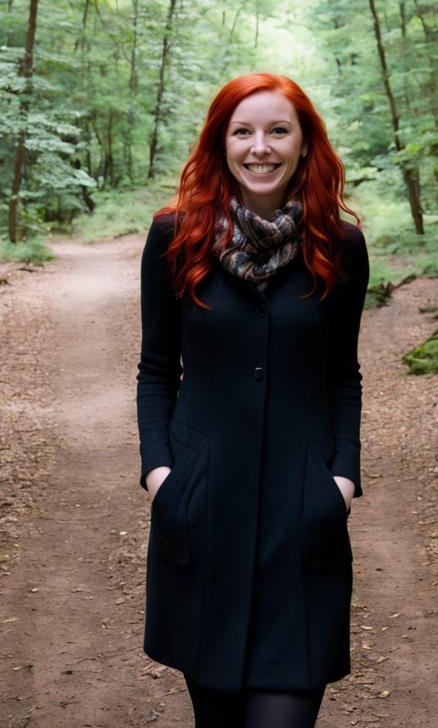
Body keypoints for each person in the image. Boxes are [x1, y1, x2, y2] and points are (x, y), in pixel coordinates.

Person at [136, 72, 369, 728]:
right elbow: (156, 371)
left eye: (277, 131)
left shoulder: (339, 246)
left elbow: (342, 375)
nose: (259, 147)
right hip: (203, 516)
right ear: (221, 143)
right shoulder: (175, 239)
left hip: (302, 526)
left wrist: (342, 480)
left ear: (303, 145)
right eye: (243, 131)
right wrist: (162, 477)